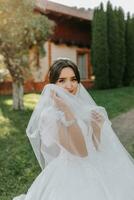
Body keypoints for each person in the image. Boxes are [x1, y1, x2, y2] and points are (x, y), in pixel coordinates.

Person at [13, 58, 134, 200]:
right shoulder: (50, 116)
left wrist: (96, 128)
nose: (70, 85)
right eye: (62, 80)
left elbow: (94, 147)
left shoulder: (81, 108)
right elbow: (80, 152)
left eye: (73, 79)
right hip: (71, 172)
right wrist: (67, 111)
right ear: (52, 85)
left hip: (95, 164)